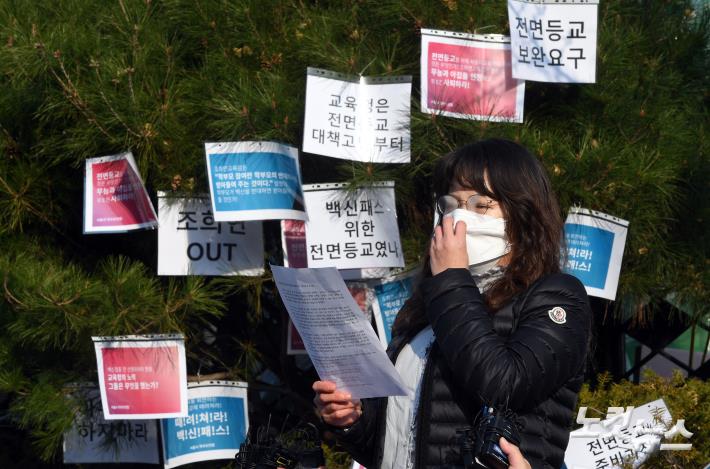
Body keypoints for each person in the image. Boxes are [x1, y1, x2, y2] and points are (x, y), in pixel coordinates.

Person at [314, 139, 592, 469]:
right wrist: (353, 419)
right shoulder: (429, 305)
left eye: (480, 204)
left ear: (522, 212)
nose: (460, 216)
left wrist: (450, 279)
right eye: (450, 204)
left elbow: (504, 386)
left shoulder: (556, 296)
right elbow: (400, 438)